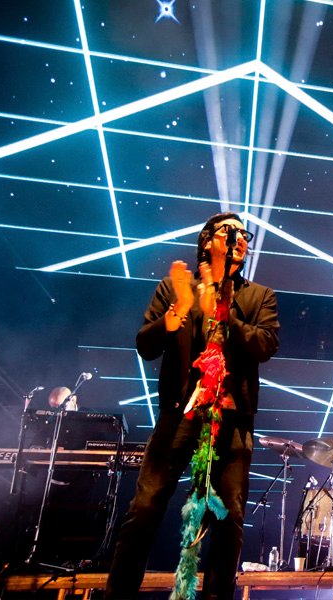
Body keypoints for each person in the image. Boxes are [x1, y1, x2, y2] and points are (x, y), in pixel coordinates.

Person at [105, 213, 280, 599]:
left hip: (231, 420)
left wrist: (221, 309)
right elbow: (146, 345)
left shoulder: (258, 296)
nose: (239, 238)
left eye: (244, 234)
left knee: (229, 517)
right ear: (206, 241)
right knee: (145, 507)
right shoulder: (175, 287)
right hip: (179, 413)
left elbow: (265, 344)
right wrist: (179, 310)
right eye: (229, 231)